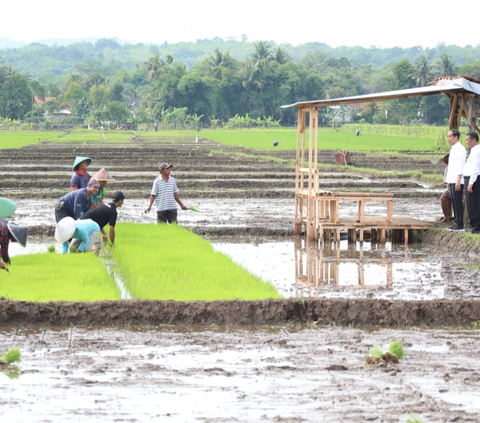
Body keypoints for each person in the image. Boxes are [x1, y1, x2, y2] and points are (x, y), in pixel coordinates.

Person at [446, 129, 466, 231]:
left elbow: (460, 165)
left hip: (458, 179)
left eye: (450, 136)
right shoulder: (453, 148)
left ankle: (460, 224)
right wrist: (449, 180)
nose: (448, 138)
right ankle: (456, 222)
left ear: (456, 137)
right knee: (454, 201)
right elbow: (451, 166)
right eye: (448, 136)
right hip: (452, 179)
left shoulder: (460, 149)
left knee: (458, 202)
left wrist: (458, 179)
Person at [462, 131, 480, 234]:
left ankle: (476, 226)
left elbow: (476, 168)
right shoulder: (474, 150)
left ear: (474, 139)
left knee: (473, 203)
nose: (466, 142)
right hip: (471, 178)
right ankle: (475, 225)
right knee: (471, 203)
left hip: (474, 178)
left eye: (468, 140)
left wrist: (471, 183)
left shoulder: (477, 151)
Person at [440, 153, 452, 223]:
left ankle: (461, 219)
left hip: (461, 189)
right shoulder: (447, 169)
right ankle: (446, 217)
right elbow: (446, 182)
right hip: (450, 189)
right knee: (443, 198)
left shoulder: (461, 168)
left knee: (463, 200)